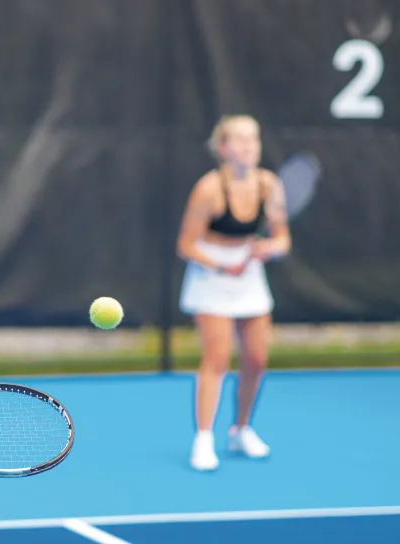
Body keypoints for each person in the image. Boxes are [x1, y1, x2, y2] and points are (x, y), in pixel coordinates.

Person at [176, 114, 291, 472]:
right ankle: (204, 440)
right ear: (223, 148)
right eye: (239, 140)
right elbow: (185, 245)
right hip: (210, 272)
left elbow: (282, 239)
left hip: (250, 273)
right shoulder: (208, 189)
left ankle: (240, 430)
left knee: (256, 359)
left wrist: (266, 249)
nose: (248, 147)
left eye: (253, 140)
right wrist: (223, 265)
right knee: (218, 357)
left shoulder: (269, 186)